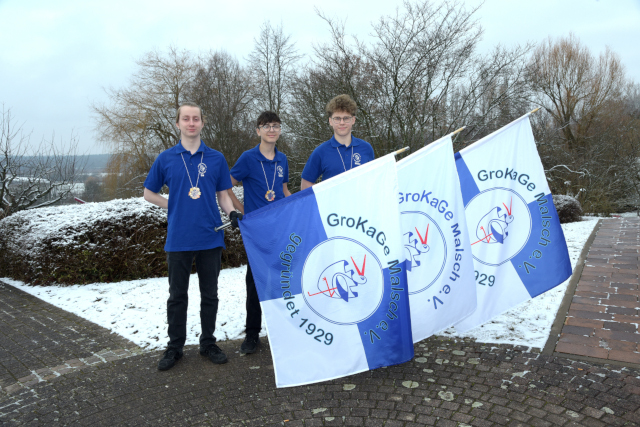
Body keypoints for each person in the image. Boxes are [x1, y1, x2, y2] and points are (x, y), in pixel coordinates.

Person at [143, 102, 242, 371]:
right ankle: (175, 347)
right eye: (186, 119)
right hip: (179, 238)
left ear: (202, 123)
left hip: (210, 236)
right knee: (177, 296)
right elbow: (149, 193)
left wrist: (232, 213)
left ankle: (208, 343)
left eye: (195, 118)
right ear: (178, 124)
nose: (191, 123)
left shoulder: (216, 158)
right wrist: (172, 205)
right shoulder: (166, 158)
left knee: (210, 295)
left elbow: (223, 196)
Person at [227, 111, 291, 354]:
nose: (271, 130)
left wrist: (298, 207)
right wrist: (242, 211)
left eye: (275, 125)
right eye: (266, 126)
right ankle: (252, 334)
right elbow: (226, 185)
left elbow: (283, 190)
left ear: (280, 130)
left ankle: (283, 329)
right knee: (255, 282)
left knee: (282, 279)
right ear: (258, 130)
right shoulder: (248, 158)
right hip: (256, 232)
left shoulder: (282, 159)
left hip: (279, 229)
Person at [300, 94, 375, 190]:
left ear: (353, 120)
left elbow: (373, 179)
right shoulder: (321, 152)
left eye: (346, 118)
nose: (342, 122)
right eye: (337, 118)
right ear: (330, 121)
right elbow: (306, 184)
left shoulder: (366, 148)